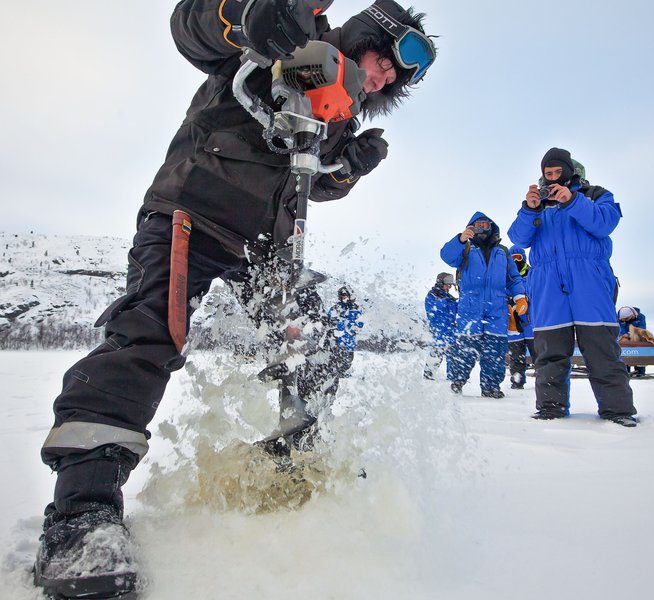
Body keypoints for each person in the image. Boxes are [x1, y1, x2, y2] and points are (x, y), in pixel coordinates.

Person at [33, 2, 437, 598]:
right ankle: (82, 513)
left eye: (392, 82)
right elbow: (191, 28)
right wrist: (249, 14)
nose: (383, 79)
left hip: (266, 247)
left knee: (314, 345)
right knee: (151, 333)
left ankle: (292, 458)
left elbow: (309, 179)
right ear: (366, 35)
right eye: (384, 62)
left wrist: (347, 167)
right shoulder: (287, 32)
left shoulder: (341, 115)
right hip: (192, 210)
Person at [508, 147, 637, 426]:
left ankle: (618, 410)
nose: (553, 178)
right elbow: (518, 238)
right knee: (549, 353)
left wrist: (573, 201)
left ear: (569, 171)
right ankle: (550, 408)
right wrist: (528, 210)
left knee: (602, 350)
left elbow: (605, 224)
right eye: (547, 173)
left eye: (557, 172)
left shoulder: (596, 195)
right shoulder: (539, 204)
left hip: (589, 281)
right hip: (548, 285)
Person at [440, 213, 527, 399]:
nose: (481, 227)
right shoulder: (465, 249)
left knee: (495, 351)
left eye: (485, 224)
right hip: (470, 309)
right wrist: (461, 239)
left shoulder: (502, 252)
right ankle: (457, 381)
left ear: (491, 227)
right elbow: (446, 256)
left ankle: (490, 386)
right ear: (471, 227)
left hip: (497, 309)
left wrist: (520, 296)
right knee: (465, 349)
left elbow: (513, 278)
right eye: (477, 224)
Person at [507, 245, 535, 389]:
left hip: (531, 323)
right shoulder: (507, 278)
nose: (516, 261)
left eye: (518, 258)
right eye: (512, 259)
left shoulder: (533, 275)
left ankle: (544, 380)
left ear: (523, 258)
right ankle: (517, 382)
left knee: (539, 355)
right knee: (516, 356)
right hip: (514, 324)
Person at [423, 272, 458, 380]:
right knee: (437, 351)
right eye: (447, 284)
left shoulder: (450, 298)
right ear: (440, 283)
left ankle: (452, 377)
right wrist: (446, 300)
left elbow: (457, 308)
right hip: (439, 329)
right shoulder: (432, 296)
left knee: (452, 354)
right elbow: (434, 307)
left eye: (450, 285)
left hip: (451, 330)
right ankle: (428, 375)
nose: (449, 287)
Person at [327, 286, 365, 378]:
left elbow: (361, 322)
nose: (344, 297)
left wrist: (355, 327)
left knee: (348, 360)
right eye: (342, 295)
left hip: (349, 340)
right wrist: (334, 326)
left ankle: (342, 372)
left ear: (350, 296)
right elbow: (328, 320)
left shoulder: (356, 309)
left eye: (345, 295)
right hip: (337, 340)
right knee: (336, 358)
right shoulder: (336, 308)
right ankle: (335, 373)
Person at [618, 305, 647, 376]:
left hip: (638, 340)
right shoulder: (619, 319)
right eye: (623, 319)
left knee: (640, 354)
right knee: (625, 354)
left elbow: (642, 329)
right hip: (626, 341)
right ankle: (625, 371)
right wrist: (624, 335)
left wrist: (631, 334)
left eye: (627, 318)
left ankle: (640, 372)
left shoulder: (641, 317)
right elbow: (621, 330)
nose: (625, 320)